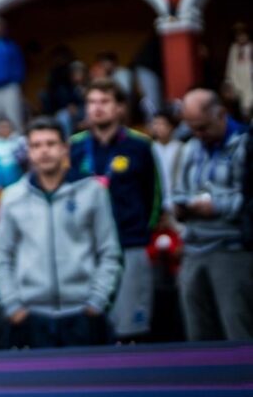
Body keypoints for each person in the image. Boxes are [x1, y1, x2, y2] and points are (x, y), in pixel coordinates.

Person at [0, 117, 122, 348]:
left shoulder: (92, 192)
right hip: (31, 316)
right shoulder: (12, 198)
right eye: (36, 145)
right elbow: (2, 258)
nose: (44, 151)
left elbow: (109, 251)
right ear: (29, 152)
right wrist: (13, 307)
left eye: (51, 144)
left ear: (64, 148)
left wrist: (96, 302)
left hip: (83, 313)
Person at [69, 78, 160, 341]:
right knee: (91, 331)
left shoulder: (140, 145)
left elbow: (153, 196)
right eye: (92, 102)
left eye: (105, 102)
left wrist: (141, 232)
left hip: (129, 244)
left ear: (120, 107)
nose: (97, 108)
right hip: (87, 250)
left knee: (132, 329)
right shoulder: (74, 146)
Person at [172, 89, 251, 340]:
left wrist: (215, 207)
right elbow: (178, 190)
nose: (198, 134)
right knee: (198, 335)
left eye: (203, 127)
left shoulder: (246, 144)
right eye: (192, 128)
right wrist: (180, 207)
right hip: (193, 249)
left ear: (221, 114)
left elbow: (248, 199)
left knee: (237, 328)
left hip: (231, 249)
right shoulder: (190, 148)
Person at [0, 118, 25, 189]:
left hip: (17, 181)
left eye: (6, 127)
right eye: (1, 127)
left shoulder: (19, 142)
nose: (4, 129)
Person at [225, 22, 253, 120]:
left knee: (249, 102)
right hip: (237, 79)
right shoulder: (234, 48)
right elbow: (230, 64)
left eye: (243, 35)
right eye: (238, 36)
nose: (241, 38)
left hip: (249, 79)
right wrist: (228, 80)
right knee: (240, 106)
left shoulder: (251, 47)